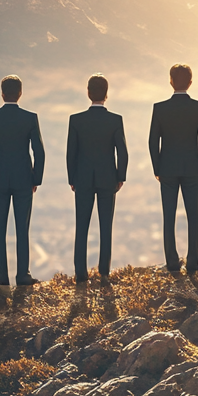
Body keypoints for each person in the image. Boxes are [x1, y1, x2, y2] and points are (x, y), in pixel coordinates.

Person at [0, 74, 45, 288]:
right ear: (20, 93)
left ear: (2, 93)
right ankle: (23, 276)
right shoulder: (29, 118)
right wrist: (36, 179)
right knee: (22, 229)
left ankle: (2, 278)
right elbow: (39, 152)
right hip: (23, 180)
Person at [148, 63, 198, 274]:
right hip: (192, 167)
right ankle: (193, 262)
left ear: (170, 81)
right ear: (190, 83)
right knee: (193, 215)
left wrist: (157, 168)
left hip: (167, 167)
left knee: (169, 216)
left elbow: (152, 141)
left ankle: (173, 262)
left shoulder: (160, 108)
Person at [66, 73, 128, 284]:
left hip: (82, 178)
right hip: (107, 178)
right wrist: (120, 177)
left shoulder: (76, 120)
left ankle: (80, 273)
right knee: (105, 226)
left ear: (88, 93)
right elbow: (123, 152)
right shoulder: (115, 120)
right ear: (106, 94)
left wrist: (72, 178)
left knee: (81, 226)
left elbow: (70, 153)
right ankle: (104, 271)